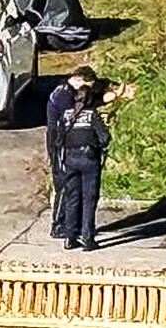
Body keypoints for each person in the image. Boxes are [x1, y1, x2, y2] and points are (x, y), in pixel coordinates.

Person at [57, 89, 111, 251]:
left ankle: (69, 237)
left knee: (72, 198)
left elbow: (59, 138)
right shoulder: (92, 115)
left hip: (69, 159)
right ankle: (87, 238)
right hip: (88, 159)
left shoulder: (66, 115)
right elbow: (105, 138)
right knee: (89, 199)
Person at [46, 66, 96, 238]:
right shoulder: (65, 97)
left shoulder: (62, 89)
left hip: (58, 138)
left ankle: (68, 224)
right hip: (59, 141)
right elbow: (69, 120)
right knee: (64, 183)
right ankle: (59, 224)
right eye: (87, 86)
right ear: (80, 80)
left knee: (67, 183)